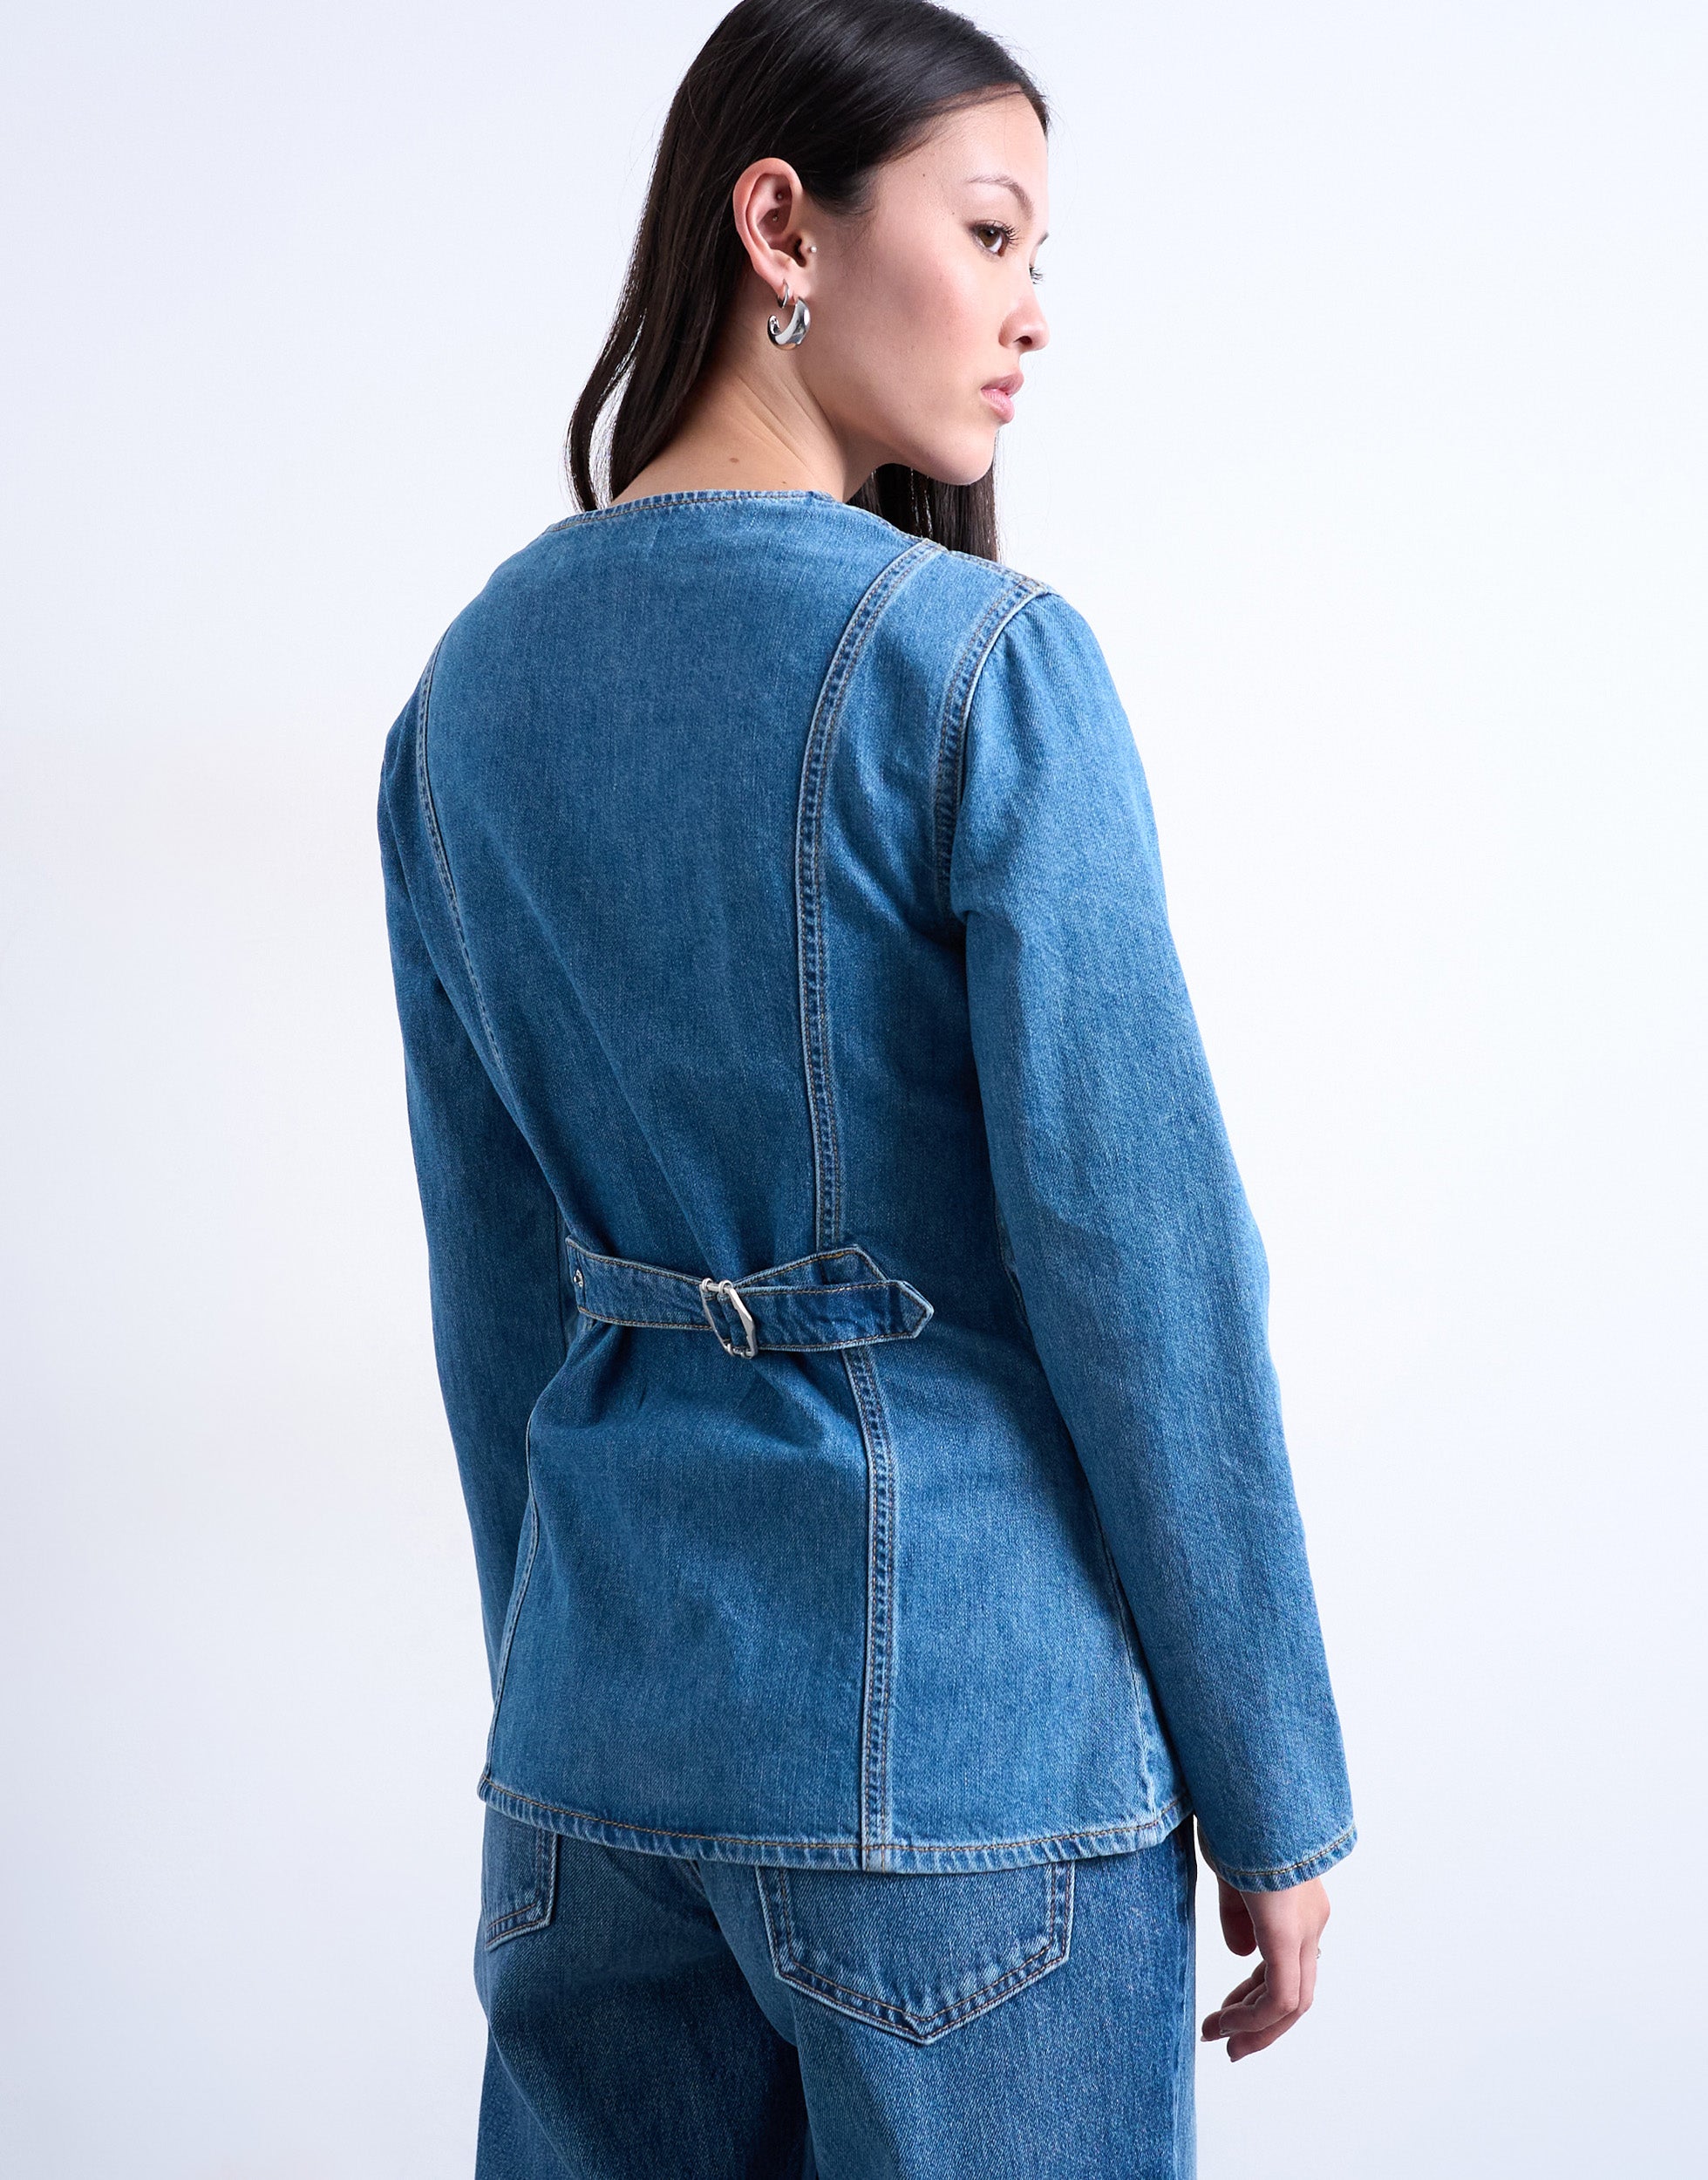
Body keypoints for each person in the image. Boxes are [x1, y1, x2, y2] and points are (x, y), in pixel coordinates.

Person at [378, 1, 1355, 2171]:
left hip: (593, 1757)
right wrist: (1273, 1782)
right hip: (960, 1762)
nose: (1031, 311)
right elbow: (1144, 1264)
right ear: (778, 226)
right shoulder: (975, 663)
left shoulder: (460, 697)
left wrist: (576, 1683)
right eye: (990, 234)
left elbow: (493, 1294)